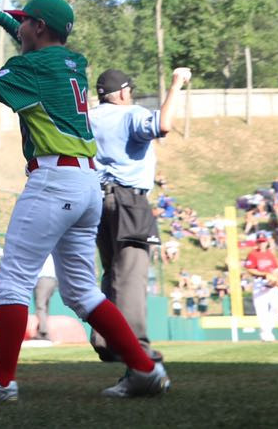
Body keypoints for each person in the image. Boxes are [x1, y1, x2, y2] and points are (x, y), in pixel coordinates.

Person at [0, 0, 170, 402]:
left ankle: (1, 381)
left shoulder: (31, 67)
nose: (21, 27)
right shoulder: (74, 63)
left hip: (53, 180)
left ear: (39, 27)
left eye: (26, 22)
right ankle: (145, 370)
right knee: (81, 291)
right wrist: (4, 20)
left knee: (13, 281)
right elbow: (38, 43)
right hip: (87, 183)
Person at [88, 65, 191, 363]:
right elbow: (162, 126)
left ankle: (106, 341)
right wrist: (175, 85)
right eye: (130, 91)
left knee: (111, 273)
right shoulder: (130, 113)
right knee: (131, 275)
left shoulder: (89, 117)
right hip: (128, 199)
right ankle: (136, 348)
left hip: (96, 198)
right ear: (122, 93)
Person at [244, 234, 278, 341]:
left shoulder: (270, 254)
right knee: (262, 310)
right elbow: (250, 269)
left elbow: (276, 268)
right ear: (257, 242)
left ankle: (266, 330)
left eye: (263, 241)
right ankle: (266, 333)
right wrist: (264, 274)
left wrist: (277, 277)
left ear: (266, 242)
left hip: (271, 282)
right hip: (259, 282)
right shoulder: (253, 254)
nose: (262, 243)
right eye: (260, 241)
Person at [31, 255, 57, 341]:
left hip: (42, 279)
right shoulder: (52, 249)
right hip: (52, 280)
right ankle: (41, 332)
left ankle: (43, 332)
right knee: (44, 307)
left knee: (40, 307)